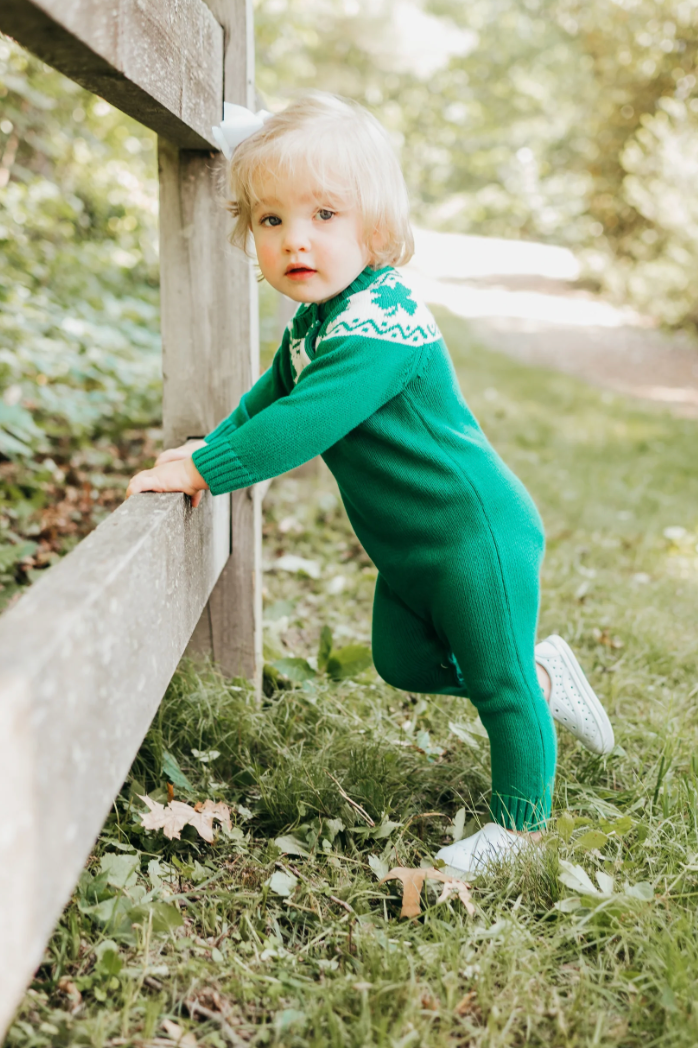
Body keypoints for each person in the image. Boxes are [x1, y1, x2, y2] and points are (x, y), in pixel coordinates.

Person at [126, 93, 614, 875]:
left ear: (375, 229)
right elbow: (272, 396)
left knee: (499, 686)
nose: (296, 239)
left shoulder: (382, 324)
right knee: (402, 662)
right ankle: (546, 676)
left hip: (473, 532)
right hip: (411, 546)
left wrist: (204, 471)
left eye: (324, 214)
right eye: (272, 219)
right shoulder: (316, 321)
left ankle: (521, 830)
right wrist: (211, 441)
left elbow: (302, 423)